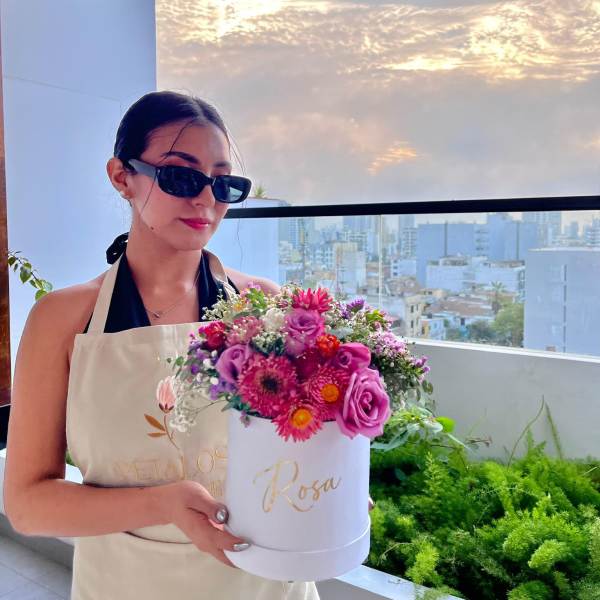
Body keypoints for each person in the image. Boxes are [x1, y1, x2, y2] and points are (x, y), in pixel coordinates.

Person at [3, 91, 321, 599]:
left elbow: (301, 447)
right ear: (121, 176)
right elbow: (27, 505)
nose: (206, 199)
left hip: (265, 584)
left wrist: (334, 487)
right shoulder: (64, 320)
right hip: (124, 584)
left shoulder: (264, 307)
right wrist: (162, 504)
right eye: (181, 176)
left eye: (224, 183)